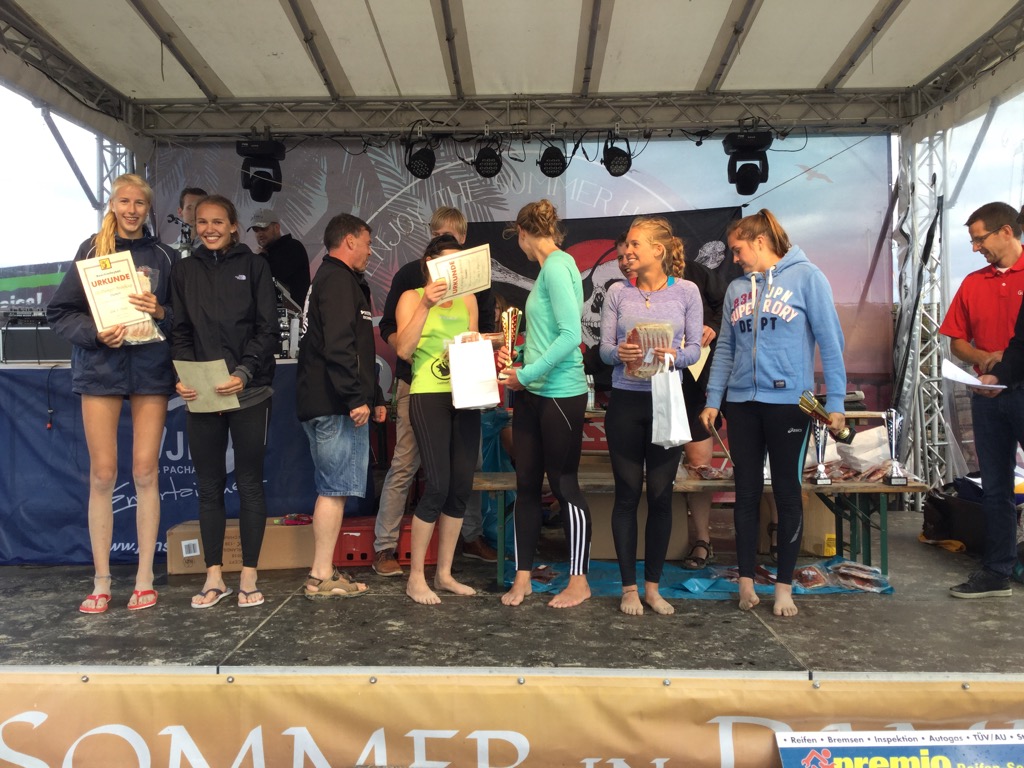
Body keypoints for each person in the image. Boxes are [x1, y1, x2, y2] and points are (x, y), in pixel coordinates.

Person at [699, 209, 846, 617]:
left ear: (760, 241)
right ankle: (746, 582)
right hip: (742, 404)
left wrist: (835, 403)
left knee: (786, 492)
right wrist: (714, 399)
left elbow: (831, 342)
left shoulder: (808, 278)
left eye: (738, 249)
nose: (734, 258)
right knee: (745, 492)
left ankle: (783, 588)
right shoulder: (736, 289)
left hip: (789, 405)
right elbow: (725, 349)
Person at [47, 173, 179, 614]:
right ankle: (101, 580)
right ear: (112, 205)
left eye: (139, 203)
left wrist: (160, 310)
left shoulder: (165, 255)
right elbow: (60, 311)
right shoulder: (91, 250)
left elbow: (181, 317)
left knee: (145, 472)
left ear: (148, 208)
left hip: (150, 369)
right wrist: (95, 333)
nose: (131, 210)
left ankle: (144, 578)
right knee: (103, 475)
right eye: (124, 201)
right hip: (100, 368)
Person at [373, 207, 497, 578]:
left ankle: (465, 543)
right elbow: (393, 334)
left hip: (464, 389)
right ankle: (385, 546)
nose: (449, 253)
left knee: (465, 472)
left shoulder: (472, 288)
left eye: (454, 242)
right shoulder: (411, 280)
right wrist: (417, 344)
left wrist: (479, 346)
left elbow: (478, 333)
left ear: (463, 242)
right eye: (439, 239)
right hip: (419, 385)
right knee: (408, 464)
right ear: (430, 251)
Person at [170, 195, 280, 608]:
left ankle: (249, 575)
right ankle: (213, 576)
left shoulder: (255, 266)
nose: (209, 229)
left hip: (249, 391)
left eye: (218, 222)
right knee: (209, 486)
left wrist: (244, 372)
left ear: (234, 225)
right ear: (194, 225)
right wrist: (184, 375)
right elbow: (180, 330)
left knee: (249, 484)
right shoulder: (184, 270)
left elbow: (267, 329)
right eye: (202, 222)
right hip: (201, 393)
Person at [599, 216, 703, 616]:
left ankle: (654, 588)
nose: (627, 251)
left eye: (634, 244)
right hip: (626, 402)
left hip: (666, 400)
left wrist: (675, 356)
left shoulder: (687, 291)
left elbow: (694, 348)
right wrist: (618, 353)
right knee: (626, 495)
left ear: (658, 250)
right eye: (626, 245)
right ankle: (629, 589)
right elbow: (604, 350)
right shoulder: (617, 293)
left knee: (661, 496)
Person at [501, 199, 593, 609]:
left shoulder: (557, 266)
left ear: (522, 234)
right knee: (525, 485)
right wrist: (520, 360)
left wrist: (525, 374)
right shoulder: (547, 270)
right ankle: (522, 578)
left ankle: (579, 581)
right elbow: (547, 336)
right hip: (533, 391)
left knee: (563, 485)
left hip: (559, 392)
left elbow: (572, 335)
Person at [941, 202, 1024, 598]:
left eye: (979, 239)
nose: (975, 248)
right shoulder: (973, 283)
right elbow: (955, 340)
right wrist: (982, 358)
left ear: (1006, 231)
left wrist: (1006, 363)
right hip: (987, 394)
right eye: (972, 241)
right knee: (994, 486)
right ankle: (996, 571)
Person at [296, 213, 380, 599]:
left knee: (334, 488)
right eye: (367, 243)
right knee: (333, 489)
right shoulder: (337, 280)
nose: (370, 251)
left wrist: (373, 397)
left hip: (330, 401)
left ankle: (323, 571)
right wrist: (355, 398)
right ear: (349, 241)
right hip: (334, 404)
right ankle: (320, 574)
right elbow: (339, 347)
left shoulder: (334, 279)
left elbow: (355, 348)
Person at [678, 256, 726, 571]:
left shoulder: (695, 272)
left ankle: (702, 540)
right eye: (622, 255)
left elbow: (728, 305)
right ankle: (658, 539)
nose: (628, 260)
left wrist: (714, 327)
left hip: (695, 380)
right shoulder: (628, 287)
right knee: (655, 468)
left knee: (698, 466)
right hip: (650, 386)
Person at [248, 208, 311, 308]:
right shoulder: (268, 252)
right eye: (256, 230)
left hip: (294, 315)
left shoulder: (293, 247)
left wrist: (261, 257)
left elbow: (271, 276)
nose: (260, 234)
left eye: (264, 229)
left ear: (277, 228)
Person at [174, 186, 207, 257]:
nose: (194, 212)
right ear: (180, 212)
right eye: (189, 208)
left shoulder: (216, 249)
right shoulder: (170, 251)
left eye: (199, 207)